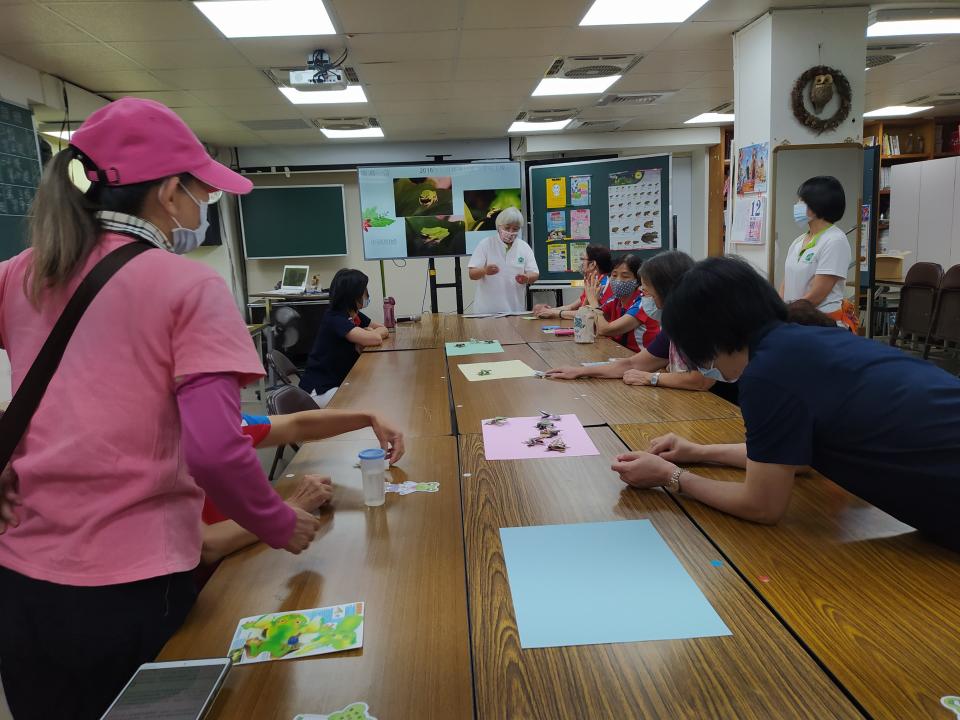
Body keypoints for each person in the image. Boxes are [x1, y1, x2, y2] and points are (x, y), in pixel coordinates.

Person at [0, 98, 322, 719]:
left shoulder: (21, 273)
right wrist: (278, 522)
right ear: (171, 192)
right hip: (131, 587)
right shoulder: (187, 285)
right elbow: (215, 446)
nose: (202, 209)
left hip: (20, 584)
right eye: (202, 194)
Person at [611, 256, 960, 552]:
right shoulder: (803, 340)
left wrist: (672, 476)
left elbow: (761, 505)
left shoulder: (768, 373)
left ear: (709, 336)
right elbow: (797, 459)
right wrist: (698, 451)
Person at [201, 408, 405, 568]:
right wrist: (288, 509)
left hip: (242, 553)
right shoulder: (177, 450)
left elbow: (298, 424)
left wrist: (368, 417)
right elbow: (207, 545)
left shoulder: (223, 424)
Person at [545, 250, 709, 391]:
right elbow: (632, 364)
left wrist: (651, 378)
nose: (642, 292)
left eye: (646, 290)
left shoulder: (703, 324)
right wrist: (579, 372)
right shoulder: (674, 326)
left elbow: (700, 380)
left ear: (667, 290)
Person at [300, 268, 389, 407]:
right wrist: (369, 334)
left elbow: (383, 328)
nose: (367, 294)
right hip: (320, 390)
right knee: (369, 402)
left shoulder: (354, 314)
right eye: (364, 291)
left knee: (373, 391)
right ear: (354, 294)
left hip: (338, 381)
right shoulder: (335, 317)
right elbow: (375, 339)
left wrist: (369, 332)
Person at [782, 175, 857, 331]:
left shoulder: (835, 240)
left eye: (801, 201)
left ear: (817, 205)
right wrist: (778, 308)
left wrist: (787, 313)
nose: (796, 205)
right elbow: (786, 282)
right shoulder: (798, 241)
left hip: (821, 325)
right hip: (795, 320)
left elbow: (817, 295)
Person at [467, 206, 539, 315]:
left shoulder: (524, 247)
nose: (510, 232)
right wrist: (485, 271)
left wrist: (527, 278)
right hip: (486, 312)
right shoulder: (486, 244)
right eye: (507, 227)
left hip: (515, 311)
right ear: (499, 226)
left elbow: (535, 274)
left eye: (515, 229)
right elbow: (472, 274)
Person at [583, 253, 659, 353]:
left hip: (642, 359)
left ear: (637, 280)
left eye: (625, 276)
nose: (618, 280)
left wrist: (594, 303)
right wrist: (588, 298)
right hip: (621, 354)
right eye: (614, 275)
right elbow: (585, 321)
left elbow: (605, 329)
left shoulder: (644, 303)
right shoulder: (615, 300)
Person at [532, 244, 613, 319]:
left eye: (582, 259)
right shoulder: (591, 282)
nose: (581, 263)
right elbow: (571, 307)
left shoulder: (602, 285)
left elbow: (584, 314)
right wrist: (545, 310)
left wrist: (553, 312)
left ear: (592, 264)